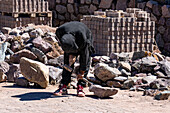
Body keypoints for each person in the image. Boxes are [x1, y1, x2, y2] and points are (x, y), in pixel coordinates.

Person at [54, 21, 95, 97]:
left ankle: (80, 86)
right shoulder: (59, 32)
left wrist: (82, 72)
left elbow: (84, 57)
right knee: (67, 65)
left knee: (85, 63)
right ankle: (64, 86)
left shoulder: (83, 38)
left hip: (84, 37)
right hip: (70, 40)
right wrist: (70, 56)